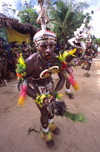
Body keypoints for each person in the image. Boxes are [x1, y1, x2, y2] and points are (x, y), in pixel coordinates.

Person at [16, 1, 66, 147]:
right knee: (44, 110)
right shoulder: (30, 62)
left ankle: (51, 125)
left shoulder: (57, 58)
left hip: (50, 86)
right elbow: (23, 83)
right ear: (37, 47)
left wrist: (55, 92)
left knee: (52, 107)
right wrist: (39, 97)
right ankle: (46, 133)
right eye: (44, 46)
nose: (48, 50)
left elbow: (62, 77)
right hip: (37, 89)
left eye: (51, 45)